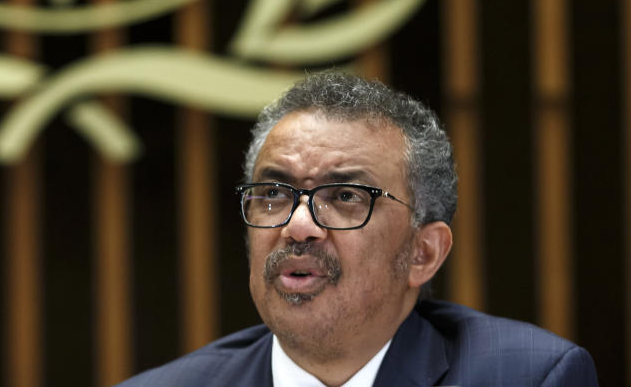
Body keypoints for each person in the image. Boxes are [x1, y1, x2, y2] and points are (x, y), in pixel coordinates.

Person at [117, 72, 598, 386]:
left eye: (345, 197)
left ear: (423, 253)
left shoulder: (527, 378)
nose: (298, 225)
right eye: (274, 195)